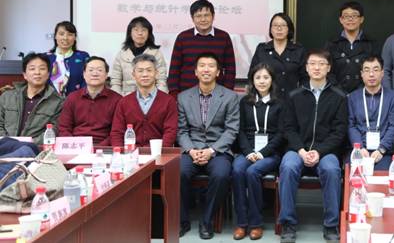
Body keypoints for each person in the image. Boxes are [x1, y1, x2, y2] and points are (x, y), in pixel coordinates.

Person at [278, 49, 347, 243]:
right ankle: (288, 224)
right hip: (297, 149)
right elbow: (288, 128)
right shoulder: (294, 95)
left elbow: (339, 132)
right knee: (288, 167)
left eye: (321, 64)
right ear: (306, 68)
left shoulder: (339, 96)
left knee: (332, 169)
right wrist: (301, 150)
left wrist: (319, 151)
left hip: (326, 151)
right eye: (313, 64)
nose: (317, 68)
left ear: (329, 68)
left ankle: (331, 225)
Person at [177, 52, 240, 239]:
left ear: (218, 72)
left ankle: (207, 221)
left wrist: (211, 150)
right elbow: (181, 130)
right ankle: (182, 220)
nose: (206, 69)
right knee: (178, 172)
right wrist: (191, 150)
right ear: (195, 71)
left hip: (218, 150)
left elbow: (231, 130)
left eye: (211, 66)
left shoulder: (230, 97)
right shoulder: (183, 97)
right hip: (192, 150)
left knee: (221, 175)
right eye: (202, 66)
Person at [232, 63, 285, 240]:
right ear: (252, 81)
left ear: (272, 80)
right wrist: (248, 151)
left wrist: (262, 153)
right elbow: (240, 131)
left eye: (266, 77)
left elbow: (281, 134)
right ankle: (241, 223)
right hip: (248, 151)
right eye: (258, 77)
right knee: (237, 170)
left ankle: (255, 223)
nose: (262, 81)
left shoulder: (280, 103)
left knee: (252, 172)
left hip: (270, 153)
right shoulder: (245, 102)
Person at [168, 0, 236, 97]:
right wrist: (174, 94)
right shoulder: (183, 37)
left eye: (206, 15)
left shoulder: (223, 37)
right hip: (186, 95)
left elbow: (230, 69)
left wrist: (226, 94)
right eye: (198, 16)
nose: (203, 19)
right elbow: (174, 69)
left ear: (213, 16)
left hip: (217, 95)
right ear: (192, 18)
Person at [110, 54, 177, 147]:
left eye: (149, 70)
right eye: (140, 71)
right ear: (133, 75)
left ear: (156, 73)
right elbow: (117, 133)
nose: (145, 75)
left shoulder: (168, 101)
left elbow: (171, 132)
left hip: (158, 152)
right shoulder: (124, 102)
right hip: (130, 153)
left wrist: (159, 151)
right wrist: (121, 152)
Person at [347, 55, 394, 170]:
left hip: (384, 152)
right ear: (361, 74)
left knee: (382, 176)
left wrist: (382, 149)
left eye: (376, 70)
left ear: (382, 73)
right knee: (354, 174)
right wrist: (359, 148)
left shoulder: (393, 97)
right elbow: (351, 125)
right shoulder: (353, 97)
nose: (371, 74)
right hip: (359, 150)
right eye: (367, 70)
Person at [0, 52, 64, 145]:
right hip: (5, 147)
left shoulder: (58, 102)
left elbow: (54, 130)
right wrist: (8, 143)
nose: (37, 72)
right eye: (32, 68)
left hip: (35, 148)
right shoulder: (7, 97)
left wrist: (29, 144)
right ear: (24, 75)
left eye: (42, 68)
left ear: (48, 75)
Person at [57, 56, 122, 145]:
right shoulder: (72, 98)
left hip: (104, 147)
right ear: (84, 74)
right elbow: (64, 128)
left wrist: (99, 148)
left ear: (106, 75)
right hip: (76, 146)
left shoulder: (117, 100)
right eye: (91, 70)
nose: (95, 74)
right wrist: (72, 145)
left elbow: (117, 132)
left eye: (99, 70)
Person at [326, 1, 380, 94]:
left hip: (364, 94)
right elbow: (327, 71)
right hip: (337, 94)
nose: (350, 19)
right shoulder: (332, 43)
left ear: (361, 19)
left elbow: (376, 70)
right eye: (346, 16)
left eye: (354, 16)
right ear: (341, 20)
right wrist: (339, 91)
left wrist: (360, 92)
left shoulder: (371, 43)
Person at [249, 13, 306, 98]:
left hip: (292, 100)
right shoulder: (262, 49)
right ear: (271, 29)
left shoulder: (298, 50)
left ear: (289, 29)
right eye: (275, 25)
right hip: (268, 100)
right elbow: (252, 74)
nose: (279, 28)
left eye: (283, 25)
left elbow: (305, 78)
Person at [110, 16, 168, 96]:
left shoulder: (156, 53)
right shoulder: (122, 54)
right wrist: (119, 100)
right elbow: (115, 81)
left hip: (151, 97)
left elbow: (161, 80)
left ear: (149, 33)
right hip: (126, 97)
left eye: (143, 30)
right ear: (130, 33)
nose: (140, 33)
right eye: (136, 30)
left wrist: (159, 99)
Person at [46, 21, 90, 96]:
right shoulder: (45, 58)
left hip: (77, 100)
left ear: (75, 37)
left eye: (70, 34)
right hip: (49, 101)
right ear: (55, 36)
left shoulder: (83, 56)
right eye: (61, 34)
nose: (65, 38)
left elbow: (88, 80)